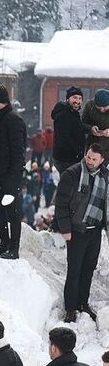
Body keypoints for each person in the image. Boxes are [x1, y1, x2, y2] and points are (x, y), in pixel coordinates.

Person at [54, 143, 108, 323]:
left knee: (88, 270)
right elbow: (61, 203)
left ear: (101, 160)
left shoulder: (104, 176)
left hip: (95, 231)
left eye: (94, 159)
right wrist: (65, 229)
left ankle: (82, 303)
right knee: (74, 271)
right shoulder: (72, 174)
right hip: (77, 231)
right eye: (88, 157)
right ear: (85, 154)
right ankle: (70, 309)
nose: (90, 162)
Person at [0, 85, 27, 260]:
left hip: (10, 177)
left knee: (13, 213)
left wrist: (14, 179)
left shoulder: (13, 120)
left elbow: (19, 153)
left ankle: (14, 249)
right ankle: (4, 244)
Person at [52, 86, 86, 175]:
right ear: (67, 99)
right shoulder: (63, 114)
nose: (77, 101)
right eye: (74, 97)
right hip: (65, 159)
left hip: (71, 158)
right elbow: (63, 138)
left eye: (80, 98)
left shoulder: (73, 113)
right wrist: (78, 151)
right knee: (68, 186)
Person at [82, 88, 109, 155]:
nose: (102, 110)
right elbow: (81, 124)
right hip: (92, 150)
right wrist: (91, 129)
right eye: (99, 107)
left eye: (105, 107)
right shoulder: (89, 106)